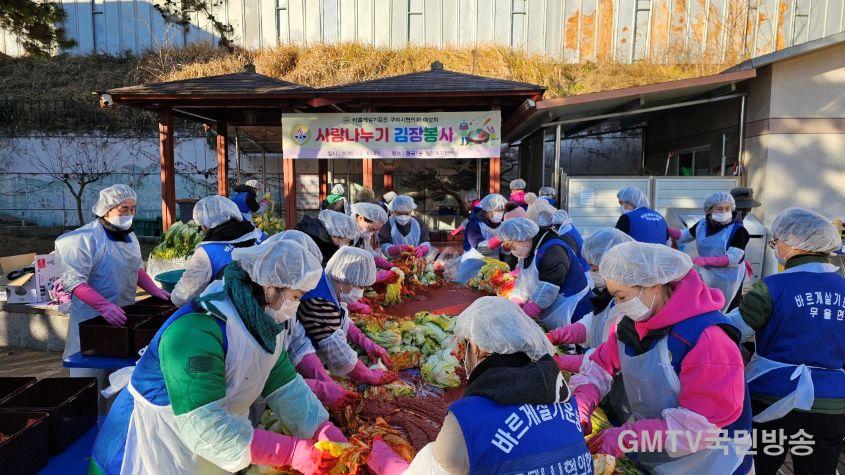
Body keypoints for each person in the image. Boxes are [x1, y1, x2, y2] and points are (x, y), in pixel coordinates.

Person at [90, 240, 346, 474]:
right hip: (143, 447)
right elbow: (207, 426)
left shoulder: (266, 324)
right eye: (296, 297)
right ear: (269, 286)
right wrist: (291, 452)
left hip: (200, 447)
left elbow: (284, 386)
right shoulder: (198, 330)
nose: (296, 306)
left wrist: (322, 429)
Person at [570, 242, 752, 474]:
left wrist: (628, 437)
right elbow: (600, 366)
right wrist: (583, 402)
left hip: (711, 463)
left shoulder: (707, 339)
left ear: (654, 285)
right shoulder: (630, 326)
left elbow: (698, 430)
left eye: (622, 296)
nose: (618, 305)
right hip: (660, 458)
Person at [364, 297, 591, 474]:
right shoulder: (564, 399)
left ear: (477, 349)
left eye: (465, 347)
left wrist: (388, 462)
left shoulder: (468, 417)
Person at [735, 208, 845, 474]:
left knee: (758, 468)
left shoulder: (771, 287)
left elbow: (733, 330)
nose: (775, 248)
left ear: (793, 244)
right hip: (832, 404)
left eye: (776, 242)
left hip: (771, 399)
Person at [55, 184, 170, 365]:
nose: (129, 214)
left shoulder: (129, 237)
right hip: (90, 319)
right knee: (89, 371)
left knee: (118, 372)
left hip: (123, 313)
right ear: (106, 210)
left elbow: (136, 269)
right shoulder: (82, 239)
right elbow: (74, 281)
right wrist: (103, 306)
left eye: (132, 209)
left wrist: (155, 291)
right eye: (123, 209)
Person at [261, 231, 361, 411]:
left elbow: (298, 344)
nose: (299, 301)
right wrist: (318, 387)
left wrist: (325, 381)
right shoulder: (234, 317)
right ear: (273, 282)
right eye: (298, 295)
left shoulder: (283, 305)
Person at [297, 246, 399, 386]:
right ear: (343, 278)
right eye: (360, 287)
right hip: (299, 361)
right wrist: (369, 376)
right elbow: (338, 352)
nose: (360, 293)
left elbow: (342, 319)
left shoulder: (329, 284)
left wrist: (366, 343)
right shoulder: (318, 300)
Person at [546, 228, 634, 372]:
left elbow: (611, 356)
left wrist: (561, 362)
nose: (600, 274)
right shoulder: (611, 295)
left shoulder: (632, 305)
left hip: (618, 381)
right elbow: (593, 324)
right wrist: (557, 335)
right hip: (600, 372)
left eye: (598, 267)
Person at [171, 195, 266, 309]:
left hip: (232, 319)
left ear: (206, 225)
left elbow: (183, 296)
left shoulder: (207, 253)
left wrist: (174, 297)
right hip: (271, 310)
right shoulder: (261, 236)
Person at [498, 217, 592, 329]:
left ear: (523, 237)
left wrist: (524, 315)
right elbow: (523, 281)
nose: (512, 250)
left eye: (512, 245)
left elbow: (547, 290)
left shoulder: (553, 251)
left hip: (574, 308)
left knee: (576, 342)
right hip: (554, 307)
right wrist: (516, 301)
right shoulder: (529, 250)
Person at [670, 192, 749, 312]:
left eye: (727, 208)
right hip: (708, 275)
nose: (724, 212)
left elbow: (733, 258)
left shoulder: (739, 230)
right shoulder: (702, 224)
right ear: (709, 211)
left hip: (730, 278)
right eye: (719, 209)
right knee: (708, 306)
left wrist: (705, 260)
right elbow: (683, 236)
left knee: (727, 311)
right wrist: (662, 226)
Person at [456, 193, 507, 283]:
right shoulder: (474, 223)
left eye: (502, 210)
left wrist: (506, 247)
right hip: (472, 266)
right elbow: (480, 247)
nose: (499, 213)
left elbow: (501, 249)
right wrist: (499, 239)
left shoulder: (502, 224)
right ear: (486, 210)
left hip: (492, 267)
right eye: (496, 210)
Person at [378, 195, 431, 260]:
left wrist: (422, 249)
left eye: (406, 213)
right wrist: (396, 250)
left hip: (415, 261)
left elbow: (425, 242)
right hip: (394, 264)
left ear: (411, 211)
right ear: (393, 211)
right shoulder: (387, 224)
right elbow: (384, 246)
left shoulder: (418, 223)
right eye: (399, 214)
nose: (403, 217)